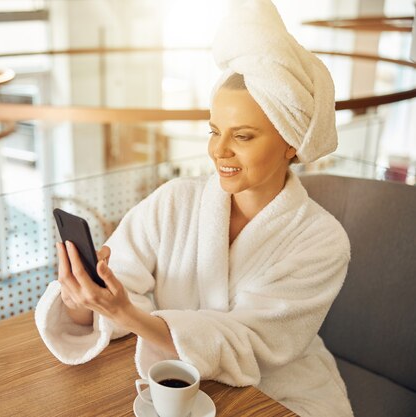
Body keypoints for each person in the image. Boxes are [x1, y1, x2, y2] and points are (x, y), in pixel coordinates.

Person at [35, 1, 353, 416]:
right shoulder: (176, 201)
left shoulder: (322, 241)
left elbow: (250, 344)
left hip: (279, 395)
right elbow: (116, 288)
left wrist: (127, 314)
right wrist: (83, 300)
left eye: (242, 135)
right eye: (214, 130)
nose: (218, 150)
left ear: (291, 142)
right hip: (177, 386)